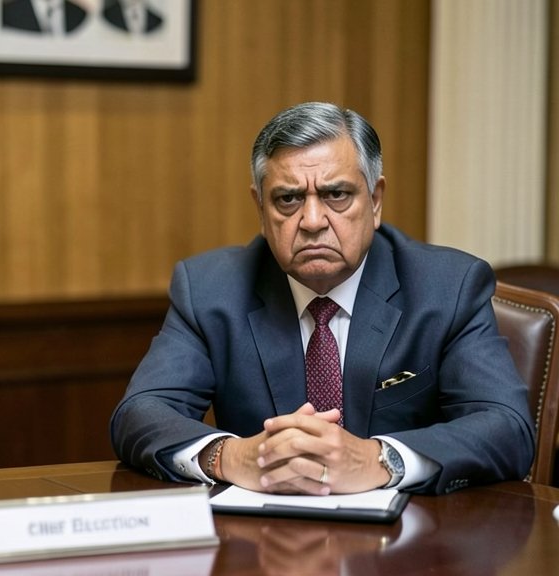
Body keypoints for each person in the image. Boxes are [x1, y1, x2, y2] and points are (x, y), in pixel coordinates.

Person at [110, 102, 534, 495]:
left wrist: (380, 460)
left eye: (336, 194)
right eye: (288, 199)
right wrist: (231, 457)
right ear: (260, 210)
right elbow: (140, 413)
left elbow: (507, 428)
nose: (312, 221)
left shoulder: (447, 287)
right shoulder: (210, 289)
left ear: (376, 200)